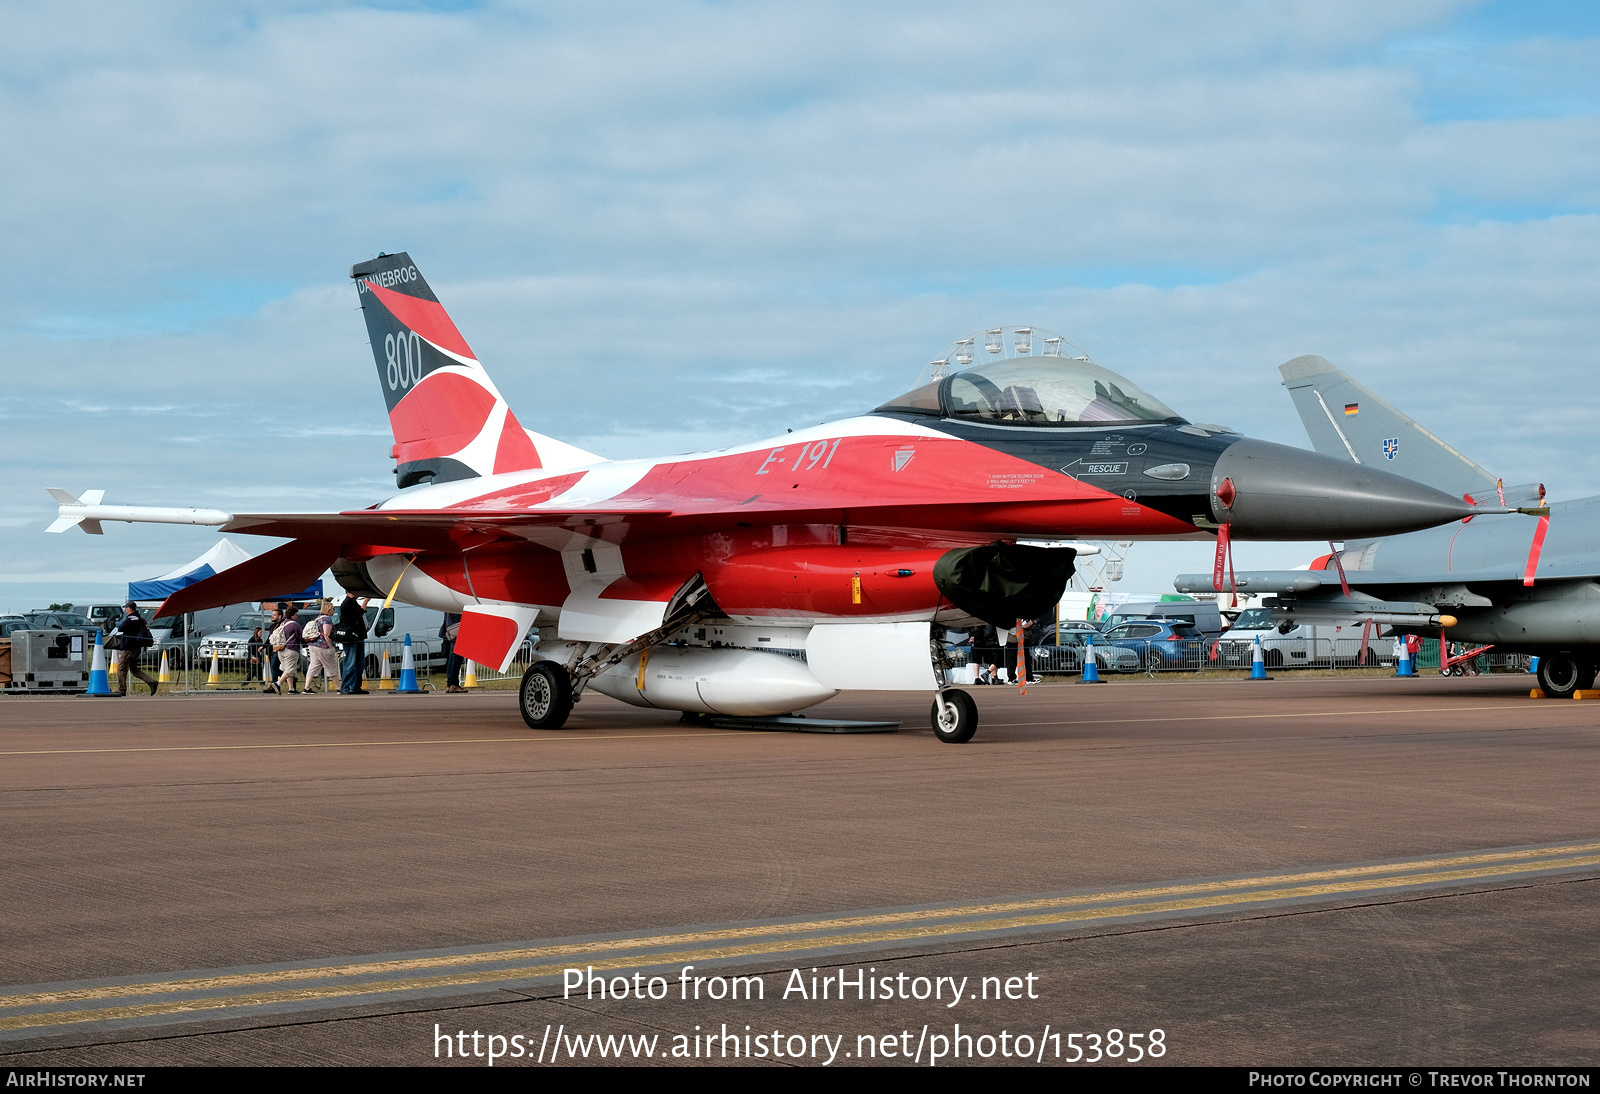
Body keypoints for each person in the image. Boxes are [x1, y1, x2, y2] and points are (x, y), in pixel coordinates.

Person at [113, 602, 157, 696]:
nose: (125, 609)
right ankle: (151, 682)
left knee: (121, 668)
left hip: (129, 647)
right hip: (137, 647)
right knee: (134, 669)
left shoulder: (131, 618)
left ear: (130, 609)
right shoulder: (140, 619)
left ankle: (122, 689)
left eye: (126, 608)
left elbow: (120, 628)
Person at [302, 599, 340, 694]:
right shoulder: (326, 619)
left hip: (313, 645)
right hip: (323, 646)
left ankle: (306, 688)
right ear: (328, 610)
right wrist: (331, 646)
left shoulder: (318, 618)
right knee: (331, 667)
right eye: (333, 609)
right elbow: (326, 633)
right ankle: (339, 687)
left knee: (313, 666)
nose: (333, 610)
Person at [336, 595, 370, 695]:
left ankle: (355, 686)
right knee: (350, 663)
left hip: (358, 636)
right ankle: (346, 686)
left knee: (359, 664)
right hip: (351, 637)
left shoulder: (353, 603)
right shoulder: (347, 604)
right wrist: (365, 602)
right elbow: (358, 614)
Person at [268, 608, 303, 695]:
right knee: (290, 669)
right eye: (296, 614)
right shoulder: (295, 625)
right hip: (291, 649)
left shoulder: (283, 624)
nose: (297, 616)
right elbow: (300, 637)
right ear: (293, 615)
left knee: (286, 669)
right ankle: (277, 683)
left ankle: (291, 688)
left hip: (281, 649)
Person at [441, 612, 463, 692]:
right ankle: (453, 683)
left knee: (452, 657)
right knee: (457, 656)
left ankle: (450, 683)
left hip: (450, 629)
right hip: (456, 628)